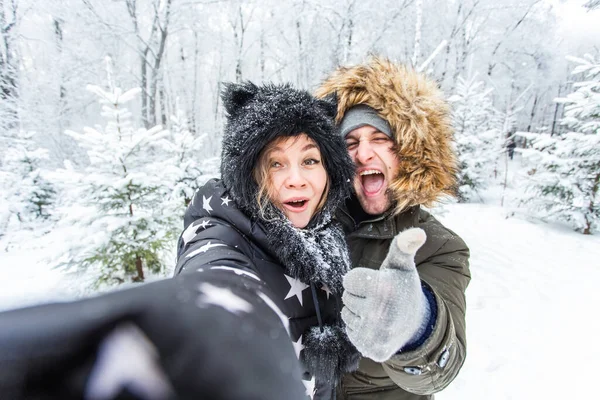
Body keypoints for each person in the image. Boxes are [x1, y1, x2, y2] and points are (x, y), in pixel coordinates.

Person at [0, 82, 356, 400]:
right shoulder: (219, 231)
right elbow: (217, 275)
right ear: (247, 172)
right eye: (275, 163)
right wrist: (203, 325)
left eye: (310, 159)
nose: (296, 179)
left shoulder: (327, 237)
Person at [315, 56, 471, 399]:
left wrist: (416, 324)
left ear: (409, 152)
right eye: (351, 143)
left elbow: (440, 371)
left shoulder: (440, 247)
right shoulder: (309, 224)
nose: (363, 154)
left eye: (379, 139)